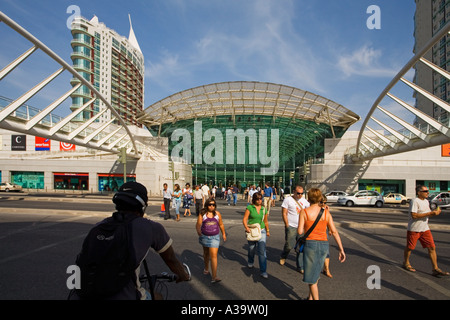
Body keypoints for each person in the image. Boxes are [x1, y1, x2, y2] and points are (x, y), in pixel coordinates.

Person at [71, 182, 190, 300]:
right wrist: (183, 275)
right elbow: (171, 259)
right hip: (126, 296)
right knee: (157, 297)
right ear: (142, 206)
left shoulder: (98, 227)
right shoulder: (150, 227)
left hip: (84, 294)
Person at [298, 188, 345, 300]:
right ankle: (310, 298)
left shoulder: (304, 212)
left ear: (308, 199)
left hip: (311, 245)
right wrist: (341, 249)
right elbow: (334, 232)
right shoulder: (326, 213)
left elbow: (300, 231)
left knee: (311, 279)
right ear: (320, 199)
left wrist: (306, 226)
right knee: (316, 272)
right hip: (324, 244)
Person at [403, 185, 449, 277]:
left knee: (432, 247)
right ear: (419, 193)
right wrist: (430, 213)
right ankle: (406, 262)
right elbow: (414, 215)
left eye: (427, 191)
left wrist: (434, 213)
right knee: (410, 247)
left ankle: (435, 268)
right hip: (414, 229)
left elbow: (426, 215)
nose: (428, 192)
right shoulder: (415, 201)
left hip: (425, 229)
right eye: (425, 191)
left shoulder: (426, 201)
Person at [280, 185, 310, 273]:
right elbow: (284, 213)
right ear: (294, 192)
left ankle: (300, 266)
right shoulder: (288, 200)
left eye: (301, 193)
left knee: (300, 248)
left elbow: (310, 211)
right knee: (289, 245)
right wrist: (287, 225)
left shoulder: (305, 201)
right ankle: (284, 255)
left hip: (301, 227)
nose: (300, 195)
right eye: (298, 193)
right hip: (291, 226)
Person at [196, 198, 227, 283]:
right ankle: (206, 268)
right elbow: (198, 224)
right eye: (210, 204)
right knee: (206, 254)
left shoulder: (217, 214)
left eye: (213, 205)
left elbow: (221, 224)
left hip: (215, 237)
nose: (211, 206)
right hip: (205, 237)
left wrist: (223, 233)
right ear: (207, 205)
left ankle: (214, 276)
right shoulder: (203, 214)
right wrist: (198, 231)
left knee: (213, 255)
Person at [243, 192, 270, 279]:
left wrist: (268, 230)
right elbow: (245, 219)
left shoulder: (263, 209)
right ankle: (250, 261)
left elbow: (265, 221)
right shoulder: (250, 207)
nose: (259, 200)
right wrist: (246, 227)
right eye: (257, 199)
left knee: (262, 251)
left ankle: (263, 271)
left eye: (260, 199)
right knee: (252, 249)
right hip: (252, 230)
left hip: (261, 231)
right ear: (254, 199)